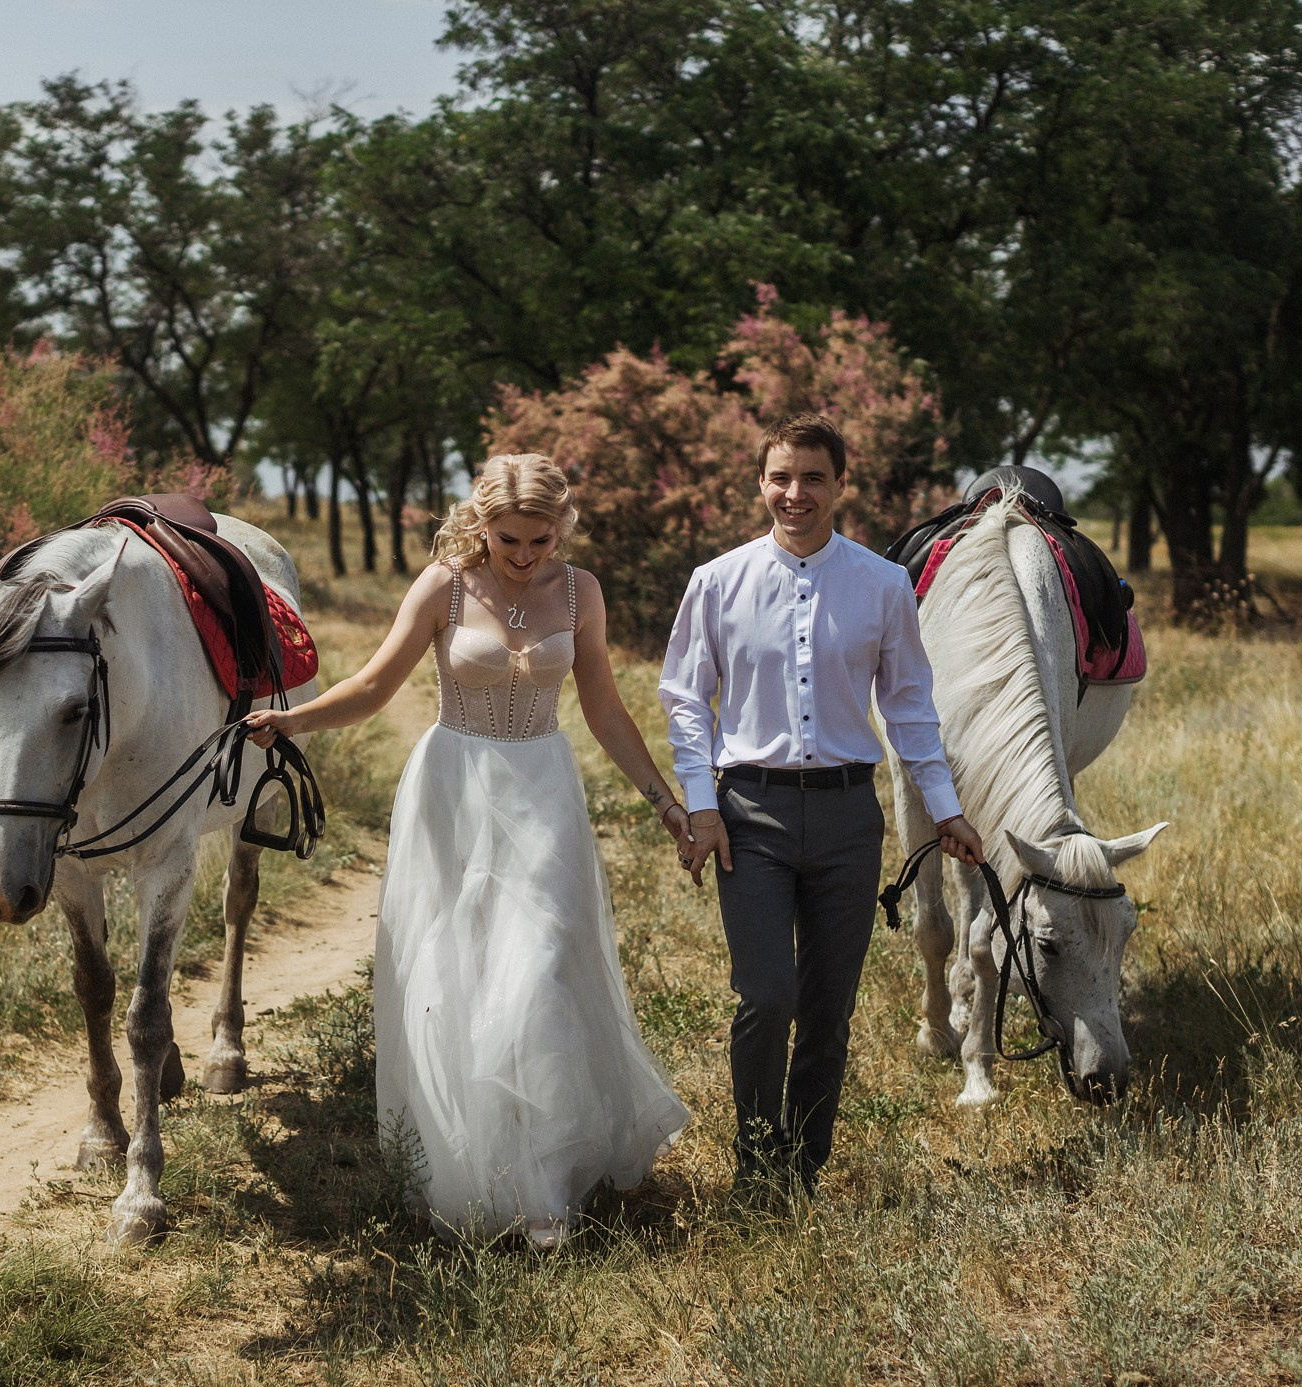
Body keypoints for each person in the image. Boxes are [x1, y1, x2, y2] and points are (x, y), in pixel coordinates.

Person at [246, 453, 691, 1248]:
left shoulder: (581, 591)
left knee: (541, 968)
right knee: (456, 972)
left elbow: (603, 707)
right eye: (508, 538)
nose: (523, 554)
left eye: (540, 539)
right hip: (453, 787)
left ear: (562, 527)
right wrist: (293, 722)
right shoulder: (444, 586)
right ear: (482, 523)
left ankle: (542, 1186)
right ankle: (469, 1170)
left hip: (544, 789)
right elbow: (376, 685)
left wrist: (665, 801)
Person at [659, 414, 986, 1197]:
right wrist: (701, 805)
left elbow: (909, 707)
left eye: (812, 477)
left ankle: (800, 1169)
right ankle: (754, 1162)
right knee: (767, 995)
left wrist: (945, 808)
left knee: (828, 1007)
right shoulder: (717, 581)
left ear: (841, 483)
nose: (795, 493)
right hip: (749, 815)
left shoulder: (884, 584)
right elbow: (685, 699)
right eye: (780, 476)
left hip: (847, 819)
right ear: (760, 482)